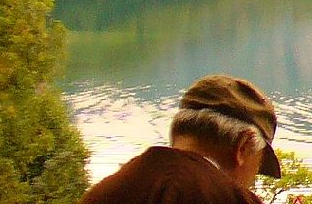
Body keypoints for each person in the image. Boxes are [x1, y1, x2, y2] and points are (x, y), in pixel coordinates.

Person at [80, 75, 284, 204]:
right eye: (257, 168)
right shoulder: (232, 199)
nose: (251, 182)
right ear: (243, 147)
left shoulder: (105, 191)